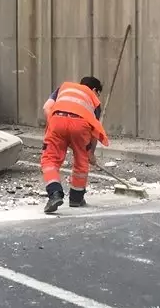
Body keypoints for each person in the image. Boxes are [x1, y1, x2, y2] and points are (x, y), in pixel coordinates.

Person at [40, 76, 110, 215]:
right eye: (98, 93)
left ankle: (55, 193)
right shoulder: (93, 99)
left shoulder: (64, 88)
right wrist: (90, 154)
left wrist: (57, 127)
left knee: (50, 160)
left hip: (56, 120)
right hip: (80, 124)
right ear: (95, 90)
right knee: (81, 160)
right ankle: (76, 199)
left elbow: (47, 107)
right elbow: (94, 131)